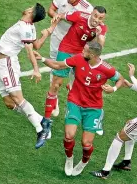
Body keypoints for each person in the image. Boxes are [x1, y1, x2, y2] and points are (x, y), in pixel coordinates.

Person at [34, 41, 124, 176]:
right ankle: (69, 158)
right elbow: (58, 65)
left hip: (93, 108)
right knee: (68, 135)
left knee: (86, 143)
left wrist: (114, 88)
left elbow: (120, 79)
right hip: (74, 102)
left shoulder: (107, 69)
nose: (82, 51)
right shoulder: (78, 59)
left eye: (85, 50)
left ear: (92, 55)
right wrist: (42, 59)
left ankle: (83, 161)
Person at [90, 49, 137, 179]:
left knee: (120, 136)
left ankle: (105, 171)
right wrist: (131, 86)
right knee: (130, 128)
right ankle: (126, 162)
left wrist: (132, 75)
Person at [0, 3, 53, 149]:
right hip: (1, 65)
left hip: (8, 63)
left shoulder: (25, 27)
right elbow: (37, 46)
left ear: (30, 12)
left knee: (17, 98)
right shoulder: (29, 27)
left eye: (30, 7)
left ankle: (40, 130)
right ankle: (42, 120)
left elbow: (30, 51)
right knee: (9, 103)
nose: (27, 7)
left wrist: (36, 69)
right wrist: (47, 32)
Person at [45, 6, 107, 121]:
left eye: (100, 18)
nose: (97, 20)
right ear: (91, 14)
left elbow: (100, 47)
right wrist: (52, 26)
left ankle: (80, 111)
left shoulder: (101, 28)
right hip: (66, 50)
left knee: (85, 86)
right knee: (56, 83)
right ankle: (47, 119)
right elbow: (61, 15)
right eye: (95, 16)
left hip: (82, 54)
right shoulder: (79, 15)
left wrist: (98, 35)